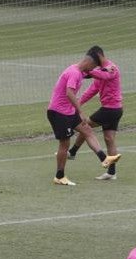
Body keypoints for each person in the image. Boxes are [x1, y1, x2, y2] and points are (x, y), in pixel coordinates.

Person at [48, 48, 119, 186]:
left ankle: (105, 159)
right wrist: (80, 111)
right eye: (93, 66)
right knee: (64, 144)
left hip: (68, 111)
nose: (93, 70)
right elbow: (69, 93)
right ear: (88, 62)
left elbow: (90, 74)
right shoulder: (74, 73)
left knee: (87, 130)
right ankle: (59, 176)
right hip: (58, 112)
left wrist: (106, 70)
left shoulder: (79, 69)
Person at [69, 46, 123, 181]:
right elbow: (92, 90)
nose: (90, 62)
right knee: (109, 139)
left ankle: (73, 151)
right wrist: (78, 103)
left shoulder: (112, 68)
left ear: (98, 55)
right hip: (112, 109)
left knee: (84, 126)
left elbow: (105, 75)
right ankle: (111, 173)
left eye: (92, 59)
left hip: (111, 110)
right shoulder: (100, 70)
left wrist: (89, 70)